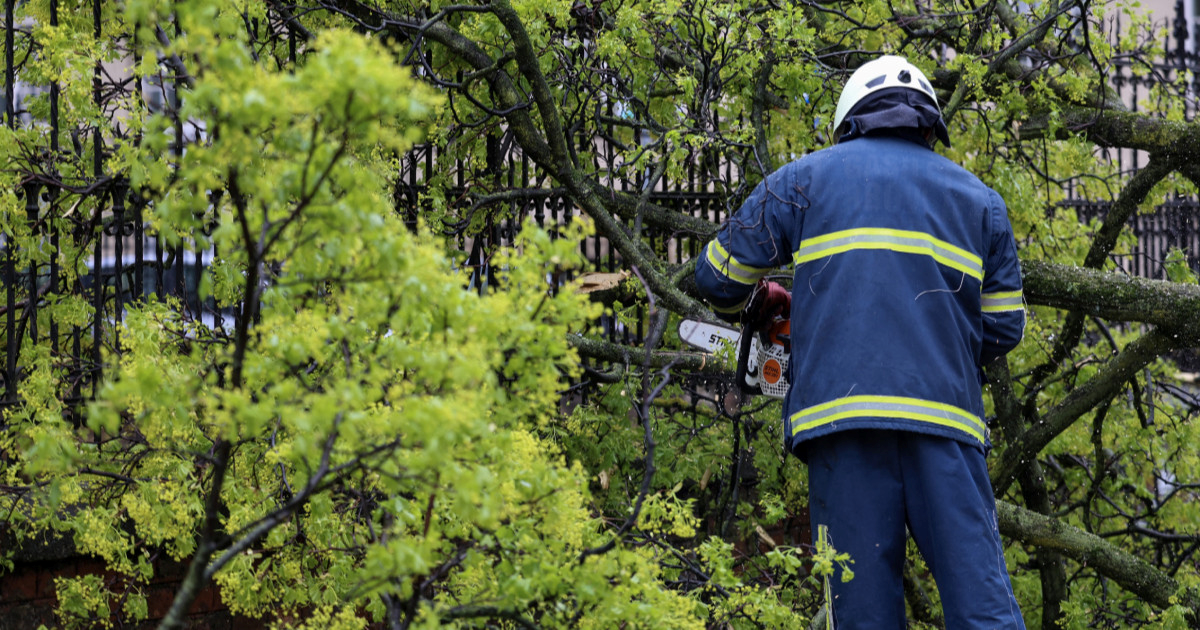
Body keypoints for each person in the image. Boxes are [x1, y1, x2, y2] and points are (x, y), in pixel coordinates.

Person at [694, 55, 1027, 629]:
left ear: (849, 121)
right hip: (944, 425)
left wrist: (765, 305)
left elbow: (717, 277)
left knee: (863, 616)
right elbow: (1002, 329)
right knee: (983, 609)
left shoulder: (800, 182)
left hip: (841, 424)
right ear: (930, 127)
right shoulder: (982, 204)